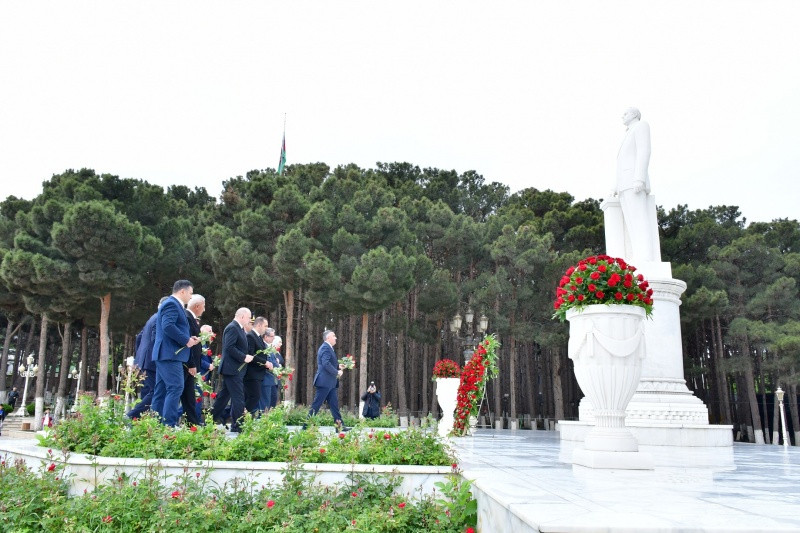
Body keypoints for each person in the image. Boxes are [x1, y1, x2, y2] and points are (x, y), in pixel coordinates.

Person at [150, 280, 200, 427]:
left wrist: (189, 339)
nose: (191, 297)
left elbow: (172, 327)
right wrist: (186, 340)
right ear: (182, 291)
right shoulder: (172, 304)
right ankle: (168, 426)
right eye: (190, 293)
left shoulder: (174, 304)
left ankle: (155, 425)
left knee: (161, 390)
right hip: (170, 355)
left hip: (167, 354)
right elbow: (168, 326)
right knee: (176, 387)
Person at [613, 107, 656, 263]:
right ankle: (638, 254)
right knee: (631, 221)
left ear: (634, 114)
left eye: (625, 113)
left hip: (633, 180)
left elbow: (644, 151)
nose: (622, 116)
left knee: (639, 218)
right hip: (624, 183)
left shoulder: (641, 125)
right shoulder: (628, 132)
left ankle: (645, 255)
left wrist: (639, 178)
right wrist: (615, 186)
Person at [211, 308, 254, 433]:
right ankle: (238, 426)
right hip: (232, 369)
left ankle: (210, 419)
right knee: (238, 397)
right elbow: (229, 347)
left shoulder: (239, 328)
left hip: (235, 369)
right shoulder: (232, 327)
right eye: (248, 317)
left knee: (224, 397)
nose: (249, 320)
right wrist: (244, 357)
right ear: (241, 316)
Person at [127, 297, 169, 419]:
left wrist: (139, 356)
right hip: (151, 361)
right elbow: (156, 339)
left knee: (149, 391)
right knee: (156, 391)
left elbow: (139, 337)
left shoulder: (153, 318)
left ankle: (141, 419)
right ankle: (132, 415)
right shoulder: (159, 319)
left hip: (145, 360)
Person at [308, 330, 346, 430]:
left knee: (334, 405)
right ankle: (305, 426)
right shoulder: (325, 347)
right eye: (334, 336)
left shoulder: (329, 348)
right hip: (324, 382)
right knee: (316, 404)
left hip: (330, 382)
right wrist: (337, 372)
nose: (336, 338)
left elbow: (328, 363)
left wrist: (338, 366)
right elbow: (325, 364)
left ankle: (339, 426)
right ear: (328, 338)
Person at [178, 294, 206, 426]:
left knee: (188, 395)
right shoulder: (188, 317)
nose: (204, 309)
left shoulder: (191, 318)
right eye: (203, 306)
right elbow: (188, 344)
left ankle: (192, 423)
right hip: (187, 363)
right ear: (197, 306)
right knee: (180, 393)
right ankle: (169, 422)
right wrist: (191, 364)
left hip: (189, 364)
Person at [243, 317, 273, 415]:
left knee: (254, 397)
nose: (266, 328)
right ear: (259, 325)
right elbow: (251, 355)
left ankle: (243, 418)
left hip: (258, 373)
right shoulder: (250, 336)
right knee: (254, 396)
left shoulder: (259, 337)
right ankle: (241, 416)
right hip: (252, 373)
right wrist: (265, 363)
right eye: (265, 326)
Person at [258, 328, 278, 411]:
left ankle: (268, 421)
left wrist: (279, 369)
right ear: (266, 337)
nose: (274, 338)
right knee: (265, 404)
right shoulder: (263, 347)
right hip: (265, 379)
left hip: (271, 379)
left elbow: (274, 362)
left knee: (272, 403)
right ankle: (262, 421)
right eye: (272, 336)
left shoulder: (269, 347)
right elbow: (265, 361)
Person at [268, 335, 284, 409]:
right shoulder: (270, 351)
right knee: (270, 399)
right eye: (279, 342)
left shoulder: (277, 352)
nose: (281, 344)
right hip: (270, 377)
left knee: (274, 398)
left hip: (276, 378)